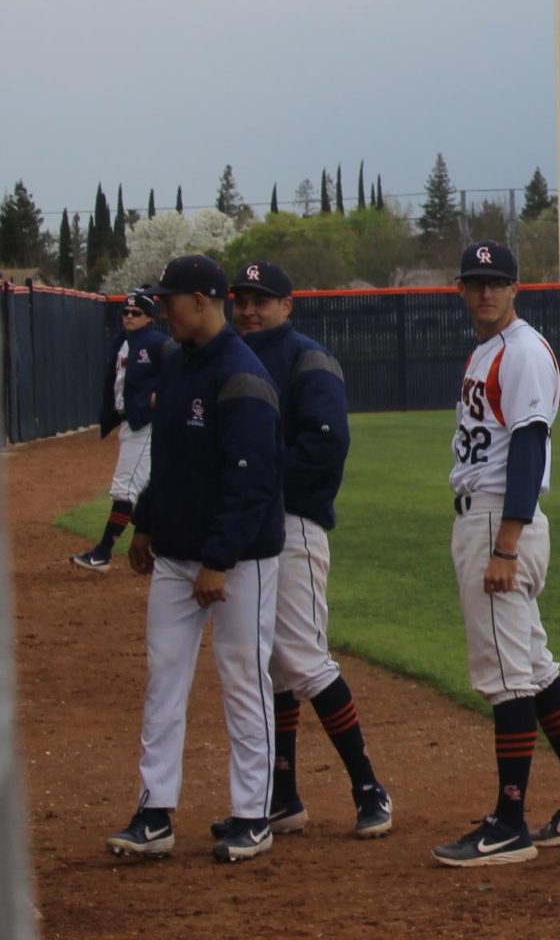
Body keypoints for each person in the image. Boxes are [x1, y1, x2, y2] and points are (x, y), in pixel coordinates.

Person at [432, 241, 560, 867]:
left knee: (506, 677)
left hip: (498, 522)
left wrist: (507, 543)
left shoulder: (520, 352)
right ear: (462, 289)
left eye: (496, 282)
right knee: (534, 667)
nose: (485, 291)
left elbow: (529, 445)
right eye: (475, 282)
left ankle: (509, 823)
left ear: (516, 288)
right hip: (490, 519)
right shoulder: (490, 350)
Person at [105, 255, 285, 864]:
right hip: (179, 557)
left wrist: (218, 560)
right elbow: (170, 457)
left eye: (170, 299)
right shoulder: (180, 364)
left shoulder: (243, 374)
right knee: (164, 681)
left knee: (243, 683)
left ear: (202, 302)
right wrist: (145, 524)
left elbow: (251, 480)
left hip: (239, 564)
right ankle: (154, 812)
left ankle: (254, 813)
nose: (161, 308)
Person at [210, 259, 391, 840]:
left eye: (262, 300)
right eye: (241, 300)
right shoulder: (226, 356)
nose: (249, 310)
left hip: (291, 526)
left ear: (288, 306)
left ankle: (370, 788)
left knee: (305, 659)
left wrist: (255, 483)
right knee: (271, 666)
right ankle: (282, 795)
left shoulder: (307, 357)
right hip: (244, 528)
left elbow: (325, 446)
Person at [71, 289, 169, 572]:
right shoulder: (122, 343)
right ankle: (164, 548)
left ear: (149, 317)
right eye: (125, 312)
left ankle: (102, 553)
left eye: (136, 313)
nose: (129, 316)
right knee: (152, 487)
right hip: (130, 422)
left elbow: (182, 369)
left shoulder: (157, 343)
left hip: (146, 424)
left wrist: (161, 396)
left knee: (125, 488)